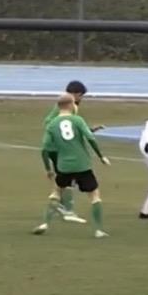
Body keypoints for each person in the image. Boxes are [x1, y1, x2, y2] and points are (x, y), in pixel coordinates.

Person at [34, 94, 110, 238]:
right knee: (94, 196)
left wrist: (48, 169)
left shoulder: (52, 124)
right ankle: (98, 230)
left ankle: (45, 223)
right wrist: (101, 156)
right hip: (82, 165)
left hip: (64, 166)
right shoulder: (77, 120)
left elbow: (45, 149)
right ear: (70, 105)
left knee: (56, 193)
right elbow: (90, 138)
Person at [41, 80, 103, 224]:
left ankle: (62, 207)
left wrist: (90, 129)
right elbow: (53, 123)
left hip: (57, 147)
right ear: (74, 94)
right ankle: (67, 210)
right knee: (69, 177)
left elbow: (68, 126)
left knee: (65, 179)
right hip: (60, 148)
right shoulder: (68, 106)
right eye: (81, 95)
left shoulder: (63, 105)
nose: (81, 99)